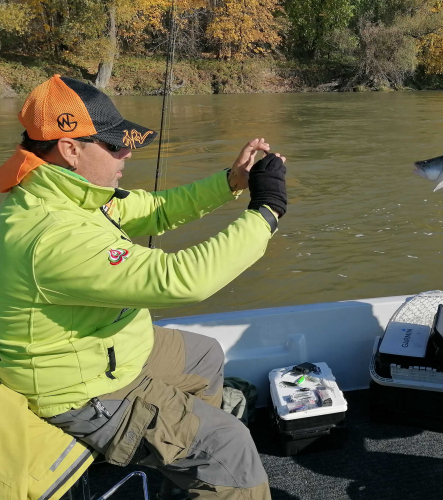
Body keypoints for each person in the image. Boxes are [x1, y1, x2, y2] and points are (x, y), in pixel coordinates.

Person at [0, 75, 287, 499]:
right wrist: (267, 211)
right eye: (114, 145)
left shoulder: (71, 190)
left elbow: (154, 210)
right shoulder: (51, 235)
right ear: (70, 149)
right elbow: (184, 279)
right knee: (229, 445)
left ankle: (186, 464)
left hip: (110, 349)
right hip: (82, 388)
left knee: (205, 354)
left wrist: (230, 181)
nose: (127, 151)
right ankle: (216, 469)